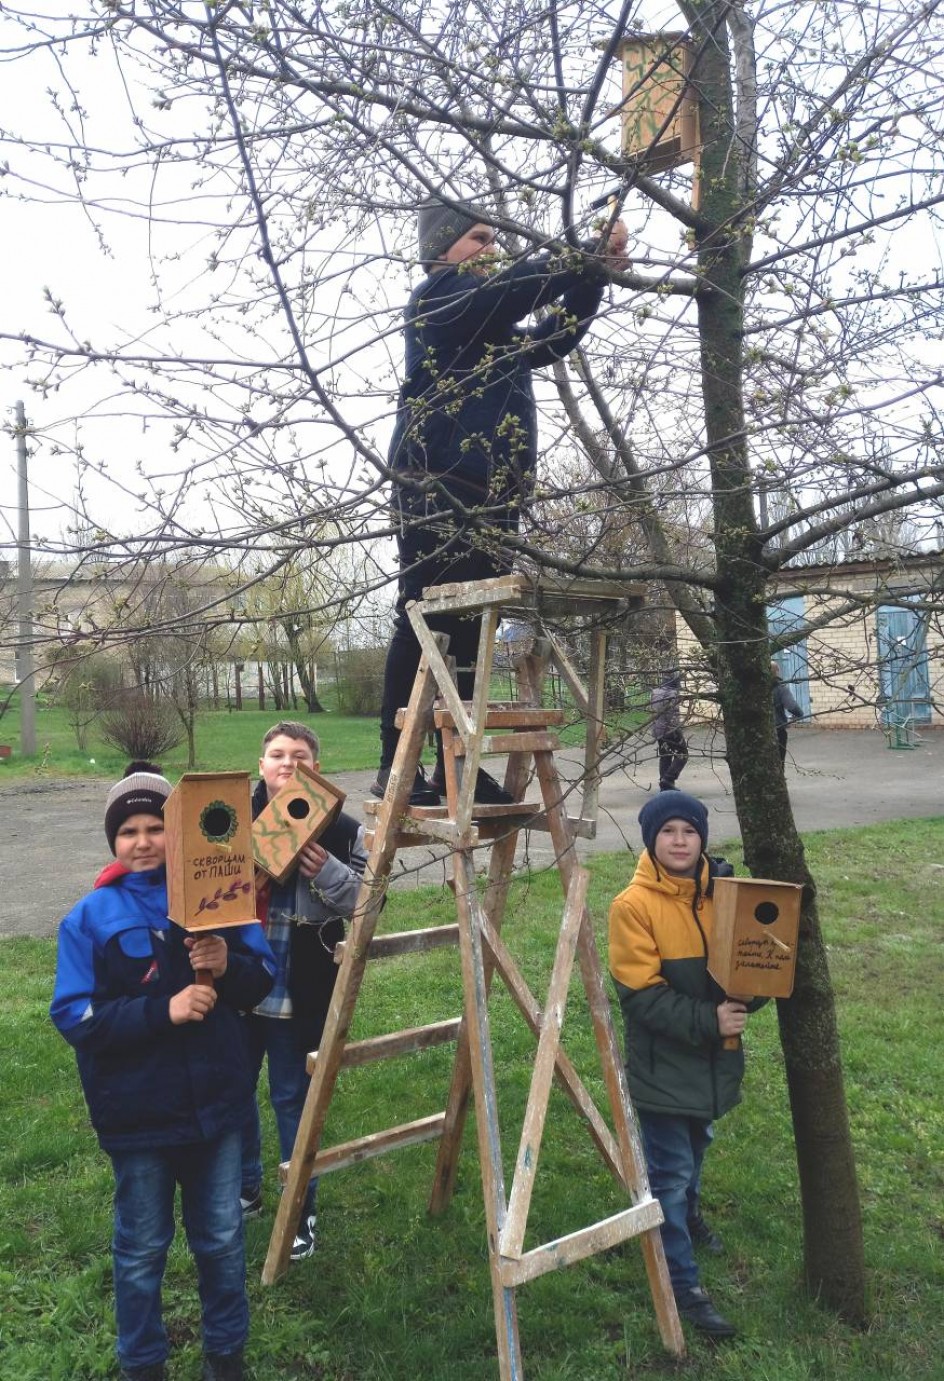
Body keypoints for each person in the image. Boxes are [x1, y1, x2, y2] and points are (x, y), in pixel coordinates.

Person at [372, 192, 630, 806]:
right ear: (441, 251)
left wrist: (592, 274)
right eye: (478, 240)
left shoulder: (490, 333)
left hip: (494, 499)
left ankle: (453, 767)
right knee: (425, 614)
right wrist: (581, 251)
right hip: (438, 489)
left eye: (493, 241)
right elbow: (510, 292)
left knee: (471, 626)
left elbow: (553, 339)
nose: (491, 251)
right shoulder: (439, 301)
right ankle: (395, 767)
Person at [50, 763, 276, 1381]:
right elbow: (74, 1014)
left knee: (222, 1241)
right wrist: (162, 1011)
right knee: (142, 1248)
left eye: (156, 826)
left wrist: (227, 963)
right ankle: (142, 1363)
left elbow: (262, 981)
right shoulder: (91, 917)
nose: (144, 840)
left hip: (217, 1109)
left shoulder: (216, 899)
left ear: (176, 834)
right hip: (139, 1116)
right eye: (129, 830)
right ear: (113, 840)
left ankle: (226, 1357)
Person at [608, 790, 767, 1339]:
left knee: (697, 1149)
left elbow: (748, 968)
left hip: (711, 1064)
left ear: (703, 838)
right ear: (651, 839)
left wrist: (759, 988)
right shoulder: (633, 906)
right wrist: (709, 1021)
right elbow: (641, 996)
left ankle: (688, 1219)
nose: (680, 841)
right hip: (664, 1066)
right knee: (670, 1174)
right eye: (668, 831)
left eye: (690, 831)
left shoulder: (725, 896)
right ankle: (681, 1280)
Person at [240, 721, 368, 1261]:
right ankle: (244, 1187)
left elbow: (366, 905)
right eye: (277, 754)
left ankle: (298, 1209)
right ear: (262, 764)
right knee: (233, 1096)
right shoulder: (228, 821)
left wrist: (329, 872)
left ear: (318, 767)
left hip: (298, 993)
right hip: (237, 992)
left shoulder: (344, 831)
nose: (288, 763)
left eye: (300, 756)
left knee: (292, 1101)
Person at [650, 669, 688, 791]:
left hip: (658, 729)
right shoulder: (672, 694)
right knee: (682, 754)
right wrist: (677, 729)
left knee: (665, 755)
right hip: (669, 729)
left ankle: (664, 783)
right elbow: (672, 715)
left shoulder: (655, 692)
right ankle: (668, 778)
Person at [772, 660, 804, 764]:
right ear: (777, 671)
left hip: (758, 731)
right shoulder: (780, 688)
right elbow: (791, 706)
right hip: (777, 730)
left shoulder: (756, 688)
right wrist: (799, 714)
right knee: (778, 763)